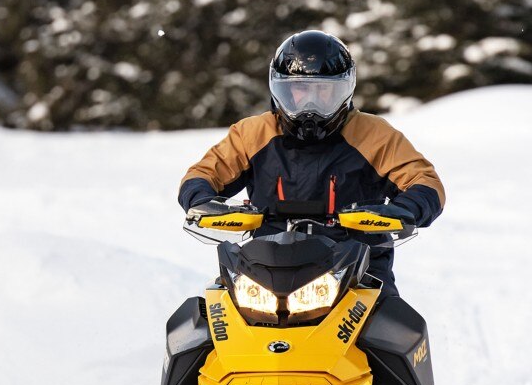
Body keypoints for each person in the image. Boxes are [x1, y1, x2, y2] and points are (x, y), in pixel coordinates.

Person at [177, 30, 445, 296]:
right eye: (300, 90)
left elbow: (423, 180)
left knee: (395, 329)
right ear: (280, 89)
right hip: (265, 269)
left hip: (358, 272)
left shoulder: (373, 135)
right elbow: (203, 173)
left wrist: (404, 209)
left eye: (324, 91)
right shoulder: (253, 134)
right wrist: (203, 201)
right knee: (204, 321)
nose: (310, 103)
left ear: (345, 90)